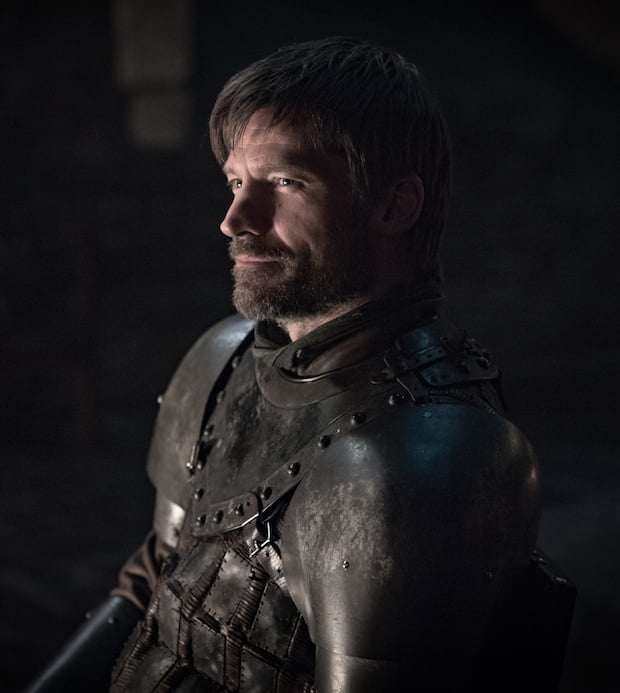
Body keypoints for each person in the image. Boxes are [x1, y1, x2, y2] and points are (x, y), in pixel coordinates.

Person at [25, 37, 542, 692]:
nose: (235, 219)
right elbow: (153, 580)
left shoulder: (426, 455)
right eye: (237, 182)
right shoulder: (223, 358)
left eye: (286, 182)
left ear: (394, 206)